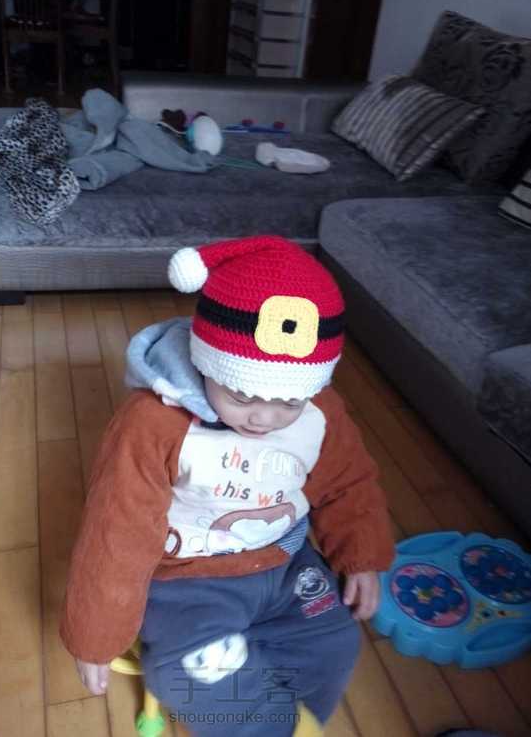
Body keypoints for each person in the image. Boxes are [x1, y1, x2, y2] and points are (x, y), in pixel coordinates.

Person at [60, 235, 395, 737]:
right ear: (205, 363)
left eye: (289, 404)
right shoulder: (153, 422)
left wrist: (361, 555)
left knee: (334, 640)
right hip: (187, 581)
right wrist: (96, 633)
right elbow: (116, 531)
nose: (264, 418)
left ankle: (286, 721)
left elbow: (347, 482)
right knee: (189, 672)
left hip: (285, 561)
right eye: (241, 395)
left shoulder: (321, 411)